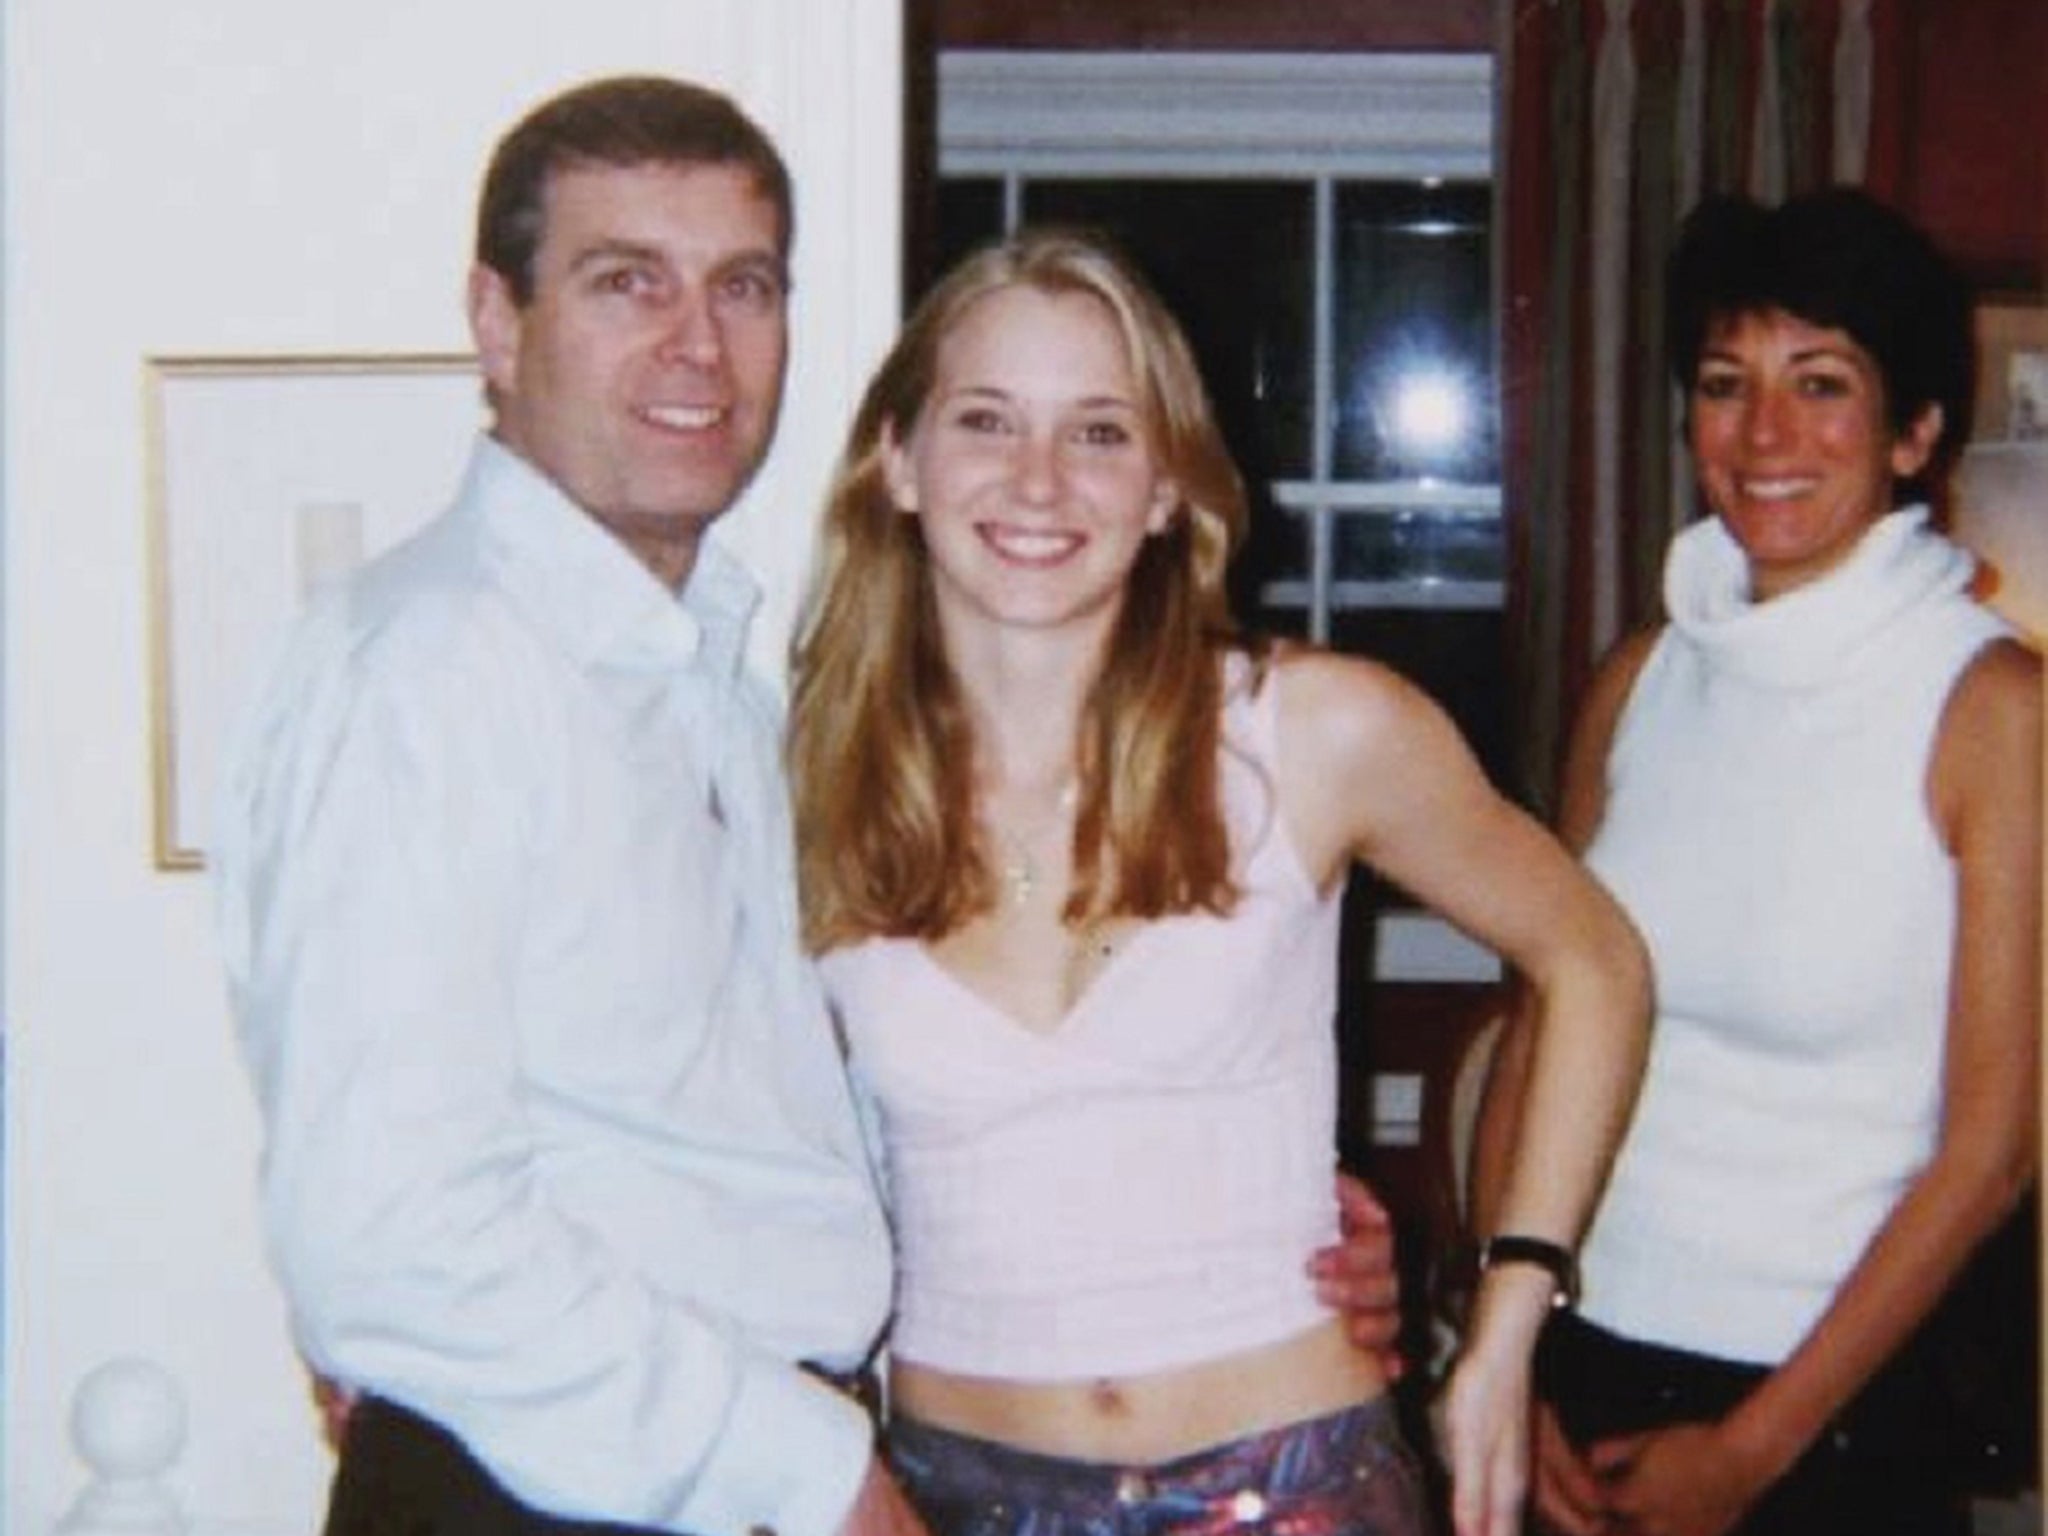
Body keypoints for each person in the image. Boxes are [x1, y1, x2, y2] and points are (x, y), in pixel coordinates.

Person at [215, 75, 1403, 1536]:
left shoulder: (737, 691)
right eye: (625, 282)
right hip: (562, 1486)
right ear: (495, 318)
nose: (697, 345)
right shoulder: (425, 670)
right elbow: (390, 1237)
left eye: (744, 287)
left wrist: (1232, 1217)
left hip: (740, 1472)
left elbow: (798, 1122)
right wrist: (810, 1464)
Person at [785, 229, 1653, 1536]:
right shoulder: (804, 780)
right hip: (941, 1496)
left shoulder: (1311, 733)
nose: (1038, 481)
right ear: (898, 463)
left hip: (1289, 1492)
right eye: (985, 421)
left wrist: (1507, 1318)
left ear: (1163, 491)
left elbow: (1595, 959)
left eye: (1098, 432)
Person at [1473, 187, 2042, 1536]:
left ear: (1915, 434)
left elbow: (1990, 1153)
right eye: (1727, 385)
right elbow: (1539, 1032)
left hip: (1831, 1416)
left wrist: (1752, 1451)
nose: (1765, 434)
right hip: (1576, 1372)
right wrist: (1509, 1349)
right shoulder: (1640, 678)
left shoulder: (1994, 712)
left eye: (1822, 384)